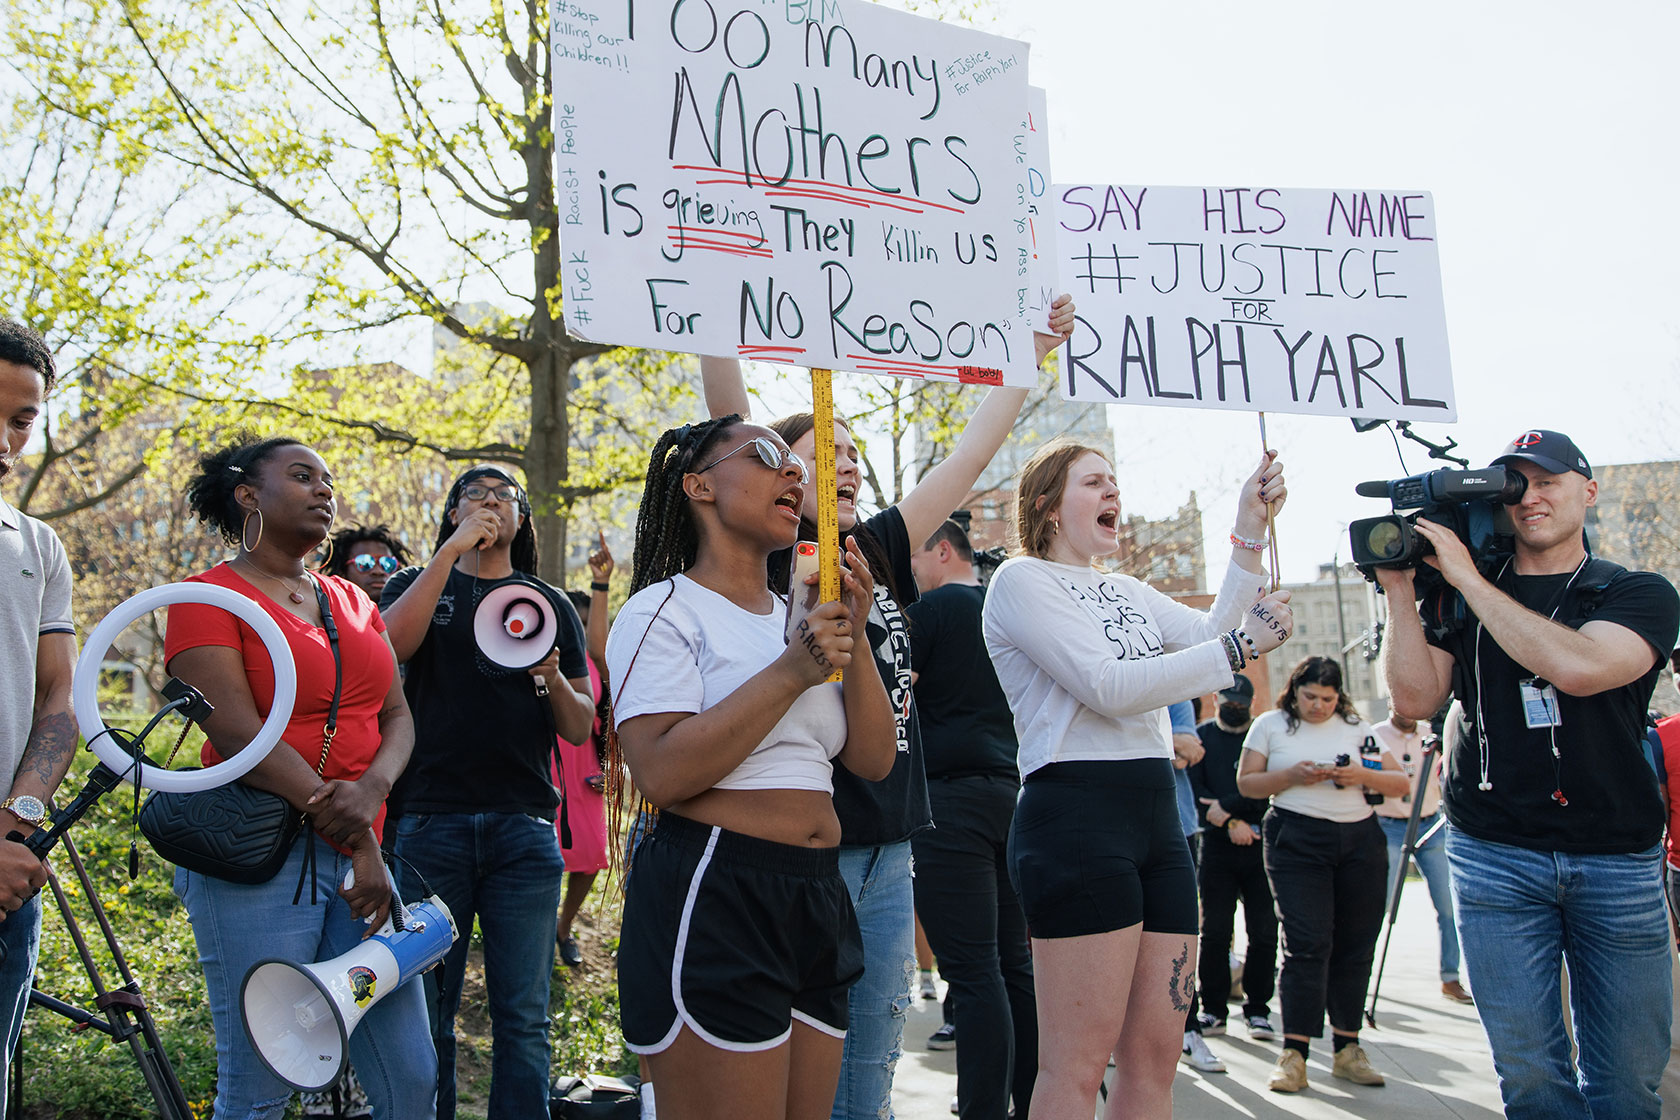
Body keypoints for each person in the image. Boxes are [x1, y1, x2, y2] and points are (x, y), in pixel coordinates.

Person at [700, 293, 1077, 1120]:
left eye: (856, 452)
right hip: (806, 853)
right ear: (773, 472)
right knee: (809, 1085)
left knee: (868, 1082)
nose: (848, 462)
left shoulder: (873, 549)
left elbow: (970, 461)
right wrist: (709, 295)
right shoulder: (762, 557)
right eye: (824, 450)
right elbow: (726, 411)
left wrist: (1028, 357)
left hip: (891, 852)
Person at [982, 438, 1291, 1120]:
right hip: (1076, 819)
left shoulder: (1126, 589)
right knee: (1076, 1064)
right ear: (1049, 508)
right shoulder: (1021, 581)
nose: (1113, 494)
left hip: (1158, 818)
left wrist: (1248, 529)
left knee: (1155, 1061)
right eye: (1094, 483)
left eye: (1114, 482)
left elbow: (1213, 627)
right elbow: (1110, 686)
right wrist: (1238, 650)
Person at [1380, 429, 1680, 1119]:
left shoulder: (1636, 593)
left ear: (1589, 491)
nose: (1530, 496)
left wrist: (1467, 579)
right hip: (1495, 855)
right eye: (1514, 485)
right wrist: (1401, 590)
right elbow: (1414, 701)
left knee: (1628, 1080)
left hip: (1616, 858)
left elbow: (1578, 669)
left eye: (1546, 481)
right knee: (1531, 1078)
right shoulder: (1456, 598)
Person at [606, 416, 896, 1120]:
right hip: (717, 887)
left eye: (797, 466)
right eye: (768, 457)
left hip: (817, 898)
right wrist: (795, 667)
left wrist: (850, 636)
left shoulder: (799, 612)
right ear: (699, 485)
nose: (795, 473)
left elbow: (873, 759)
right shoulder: (661, 611)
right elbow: (663, 775)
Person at [166, 433, 435, 1120]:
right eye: (302, 475)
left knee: (410, 1074)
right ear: (248, 495)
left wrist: (373, 792)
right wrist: (363, 843)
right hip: (264, 857)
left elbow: (397, 713)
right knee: (260, 1089)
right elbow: (237, 733)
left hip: (358, 857)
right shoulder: (205, 597)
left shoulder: (352, 599)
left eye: (329, 479)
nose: (325, 490)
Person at [381, 465, 595, 1120]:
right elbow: (388, 644)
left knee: (523, 1018)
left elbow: (582, 721)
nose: (492, 503)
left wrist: (552, 679)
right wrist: (449, 557)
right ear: (452, 515)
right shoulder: (414, 586)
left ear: (523, 519)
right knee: (426, 1012)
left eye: (505, 496)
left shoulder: (550, 603)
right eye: (475, 495)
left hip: (523, 830)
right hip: (429, 825)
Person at [904, 517, 1036, 1120]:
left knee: (974, 970)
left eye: (912, 561)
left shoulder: (932, 613)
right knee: (1013, 965)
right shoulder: (1006, 614)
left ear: (942, 550)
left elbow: (899, 697)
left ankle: (982, 1109)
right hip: (1010, 795)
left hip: (949, 803)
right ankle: (1034, 1101)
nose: (909, 576)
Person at [1236, 655, 1410, 1094]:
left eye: (1327, 699)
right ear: (1294, 690)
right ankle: (1294, 1053)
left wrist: (1358, 774)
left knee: (1356, 942)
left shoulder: (1357, 727)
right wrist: (1290, 776)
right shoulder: (1271, 724)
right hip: (1296, 837)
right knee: (1308, 943)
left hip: (1359, 840)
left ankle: (1347, 1047)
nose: (1318, 706)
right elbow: (1247, 784)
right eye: (1310, 696)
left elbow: (1399, 783)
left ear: (1340, 697)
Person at [0, 319, 76, 1120]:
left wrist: (17, 823)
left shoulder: (39, 546)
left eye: (23, 418)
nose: (7, 437)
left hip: (11, 870)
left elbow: (58, 701)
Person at [312, 523, 411, 1119]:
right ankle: (328, 1094)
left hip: (390, 819)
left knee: (366, 979)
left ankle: (361, 1091)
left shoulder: (401, 617)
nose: (377, 567)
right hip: (313, 832)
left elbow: (398, 714)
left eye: (388, 559)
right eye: (364, 558)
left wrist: (376, 789)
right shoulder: (319, 618)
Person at [1186, 675, 1277, 1043]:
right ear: (1216, 697)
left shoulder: (1261, 737)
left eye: (1241, 700)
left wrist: (1230, 808)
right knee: (1216, 932)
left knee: (1265, 932)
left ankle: (1258, 1010)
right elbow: (1197, 795)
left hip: (1261, 846)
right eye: (1229, 699)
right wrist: (1234, 818)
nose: (1235, 706)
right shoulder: (1201, 738)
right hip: (1217, 849)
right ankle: (1214, 1009)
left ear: (1251, 703)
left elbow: (1266, 790)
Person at [1371, 702, 1472, 1004]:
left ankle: (1450, 978)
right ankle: (1360, 974)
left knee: (1448, 906)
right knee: (1378, 906)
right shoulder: (1374, 736)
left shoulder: (1433, 735)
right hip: (1388, 825)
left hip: (1429, 825)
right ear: (1391, 702)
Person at [553, 533, 616, 968]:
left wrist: (600, 584)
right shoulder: (537, 655)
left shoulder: (598, 662)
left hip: (585, 769)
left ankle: (563, 925)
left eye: (582, 621)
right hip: (544, 765)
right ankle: (537, 930)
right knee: (542, 856)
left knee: (590, 856)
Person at [1167, 699, 1226, 1076]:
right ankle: (1114, 1036)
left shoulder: (1173, 680)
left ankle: (1187, 1031)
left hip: (1178, 826)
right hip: (1108, 826)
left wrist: (1118, 723)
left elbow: (1187, 753)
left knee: (1180, 941)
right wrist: (1167, 741)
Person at [323, 524, 411, 606]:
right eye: (365, 563)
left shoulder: (415, 615)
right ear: (342, 571)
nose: (378, 571)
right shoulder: (324, 615)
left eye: (387, 563)